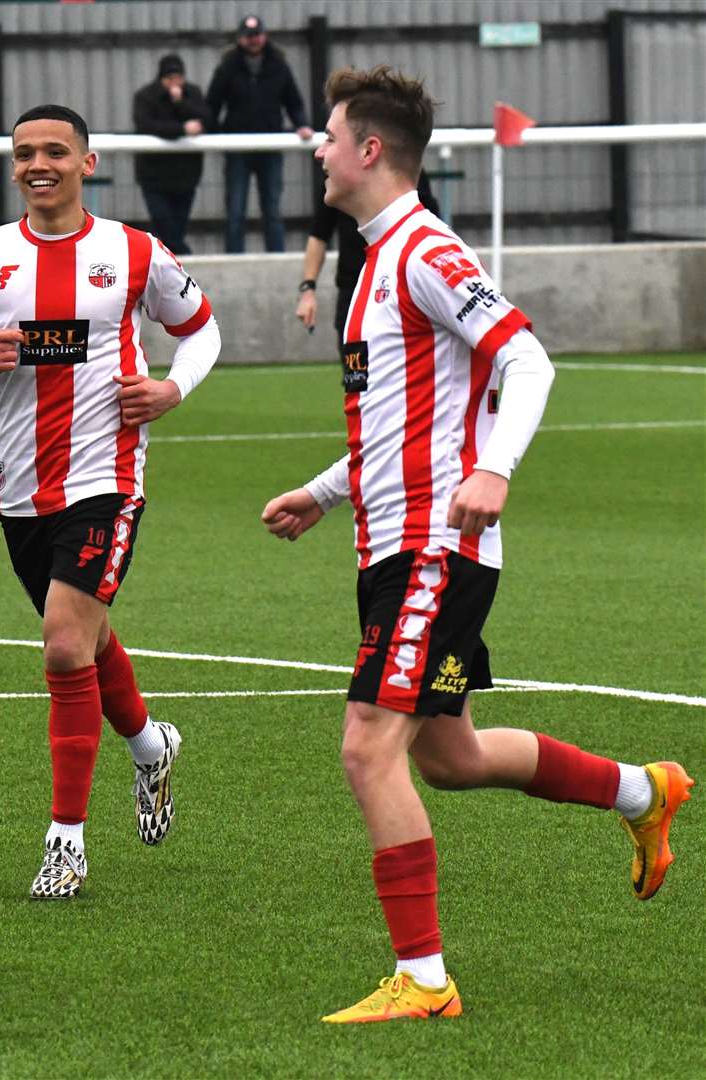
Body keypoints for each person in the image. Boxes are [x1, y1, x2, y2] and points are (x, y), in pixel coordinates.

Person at [259, 65, 693, 1024]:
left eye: (328, 136)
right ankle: (642, 791)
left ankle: (423, 981)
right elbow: (395, 422)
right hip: (391, 543)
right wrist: (326, 494)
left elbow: (527, 359)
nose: (318, 151)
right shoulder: (372, 257)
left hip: (432, 547)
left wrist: (494, 469)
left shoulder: (421, 249)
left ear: (368, 150)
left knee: (367, 748)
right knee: (445, 757)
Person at [0, 104, 222, 899]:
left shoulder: (130, 251)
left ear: (88, 163)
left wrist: (169, 387)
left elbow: (201, 330)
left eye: (55, 150)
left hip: (107, 477)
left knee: (61, 644)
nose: (37, 164)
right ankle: (150, 745)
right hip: (20, 486)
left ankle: (65, 843)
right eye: (24, 153)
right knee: (84, 640)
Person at [204, 14, 313, 253]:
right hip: (237, 147)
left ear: (264, 36)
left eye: (256, 35)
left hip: (270, 146)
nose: (253, 40)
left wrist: (301, 124)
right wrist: (206, 130)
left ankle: (277, 259)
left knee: (272, 209)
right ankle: (233, 262)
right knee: (235, 210)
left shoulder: (279, 64)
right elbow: (212, 103)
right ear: (241, 38)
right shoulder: (228, 66)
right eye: (248, 36)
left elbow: (293, 101)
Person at [296, 171, 437, 352]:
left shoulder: (403, 168)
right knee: (356, 377)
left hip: (399, 296)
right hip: (352, 295)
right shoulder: (336, 179)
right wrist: (308, 290)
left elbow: (431, 226)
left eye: (331, 140)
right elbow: (318, 235)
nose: (321, 152)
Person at [132, 53, 207, 255]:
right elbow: (146, 125)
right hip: (154, 175)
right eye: (169, 78)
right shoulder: (146, 96)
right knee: (163, 223)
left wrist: (180, 102)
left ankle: (173, 263)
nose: (174, 82)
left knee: (178, 225)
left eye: (178, 77)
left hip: (186, 175)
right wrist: (181, 129)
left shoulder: (192, 93)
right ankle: (184, 256)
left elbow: (205, 120)